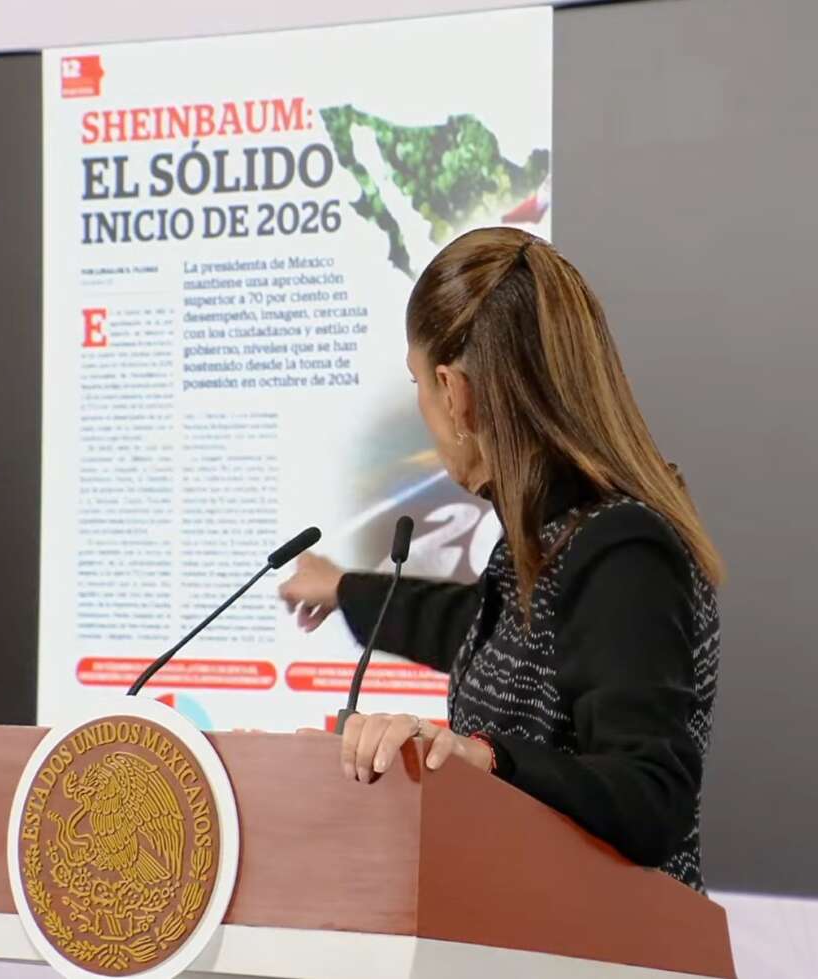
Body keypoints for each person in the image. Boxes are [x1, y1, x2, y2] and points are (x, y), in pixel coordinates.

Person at [278, 227, 723, 892]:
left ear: (452, 390)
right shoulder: (552, 540)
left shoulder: (623, 553)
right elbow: (486, 636)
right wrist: (346, 590)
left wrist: (483, 758)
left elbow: (650, 797)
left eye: (418, 384)